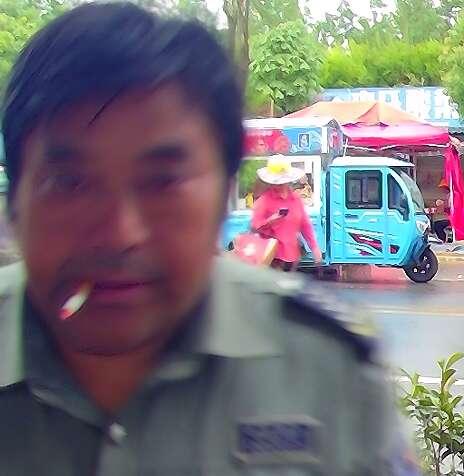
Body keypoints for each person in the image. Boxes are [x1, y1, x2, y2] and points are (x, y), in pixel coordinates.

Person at [0, 3, 419, 475]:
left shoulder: (328, 371)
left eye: (163, 182)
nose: (121, 234)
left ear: (223, 193)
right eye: (71, 183)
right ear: (15, 202)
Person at [252, 157, 322, 271]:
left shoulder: (295, 200)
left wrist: (314, 248)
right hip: (271, 259)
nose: (277, 185)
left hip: (292, 258)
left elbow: (305, 225)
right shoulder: (264, 201)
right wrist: (269, 222)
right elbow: (255, 226)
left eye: (281, 182)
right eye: (274, 182)